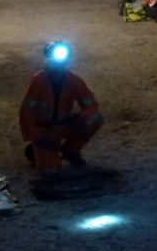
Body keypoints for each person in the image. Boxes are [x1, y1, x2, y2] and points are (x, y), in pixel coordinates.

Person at [19, 41, 104, 174]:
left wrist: (83, 117)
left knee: (96, 118)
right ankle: (37, 151)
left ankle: (70, 150)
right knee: (52, 172)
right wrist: (35, 136)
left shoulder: (74, 81)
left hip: (62, 125)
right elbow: (26, 111)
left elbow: (91, 104)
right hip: (44, 131)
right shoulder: (38, 81)